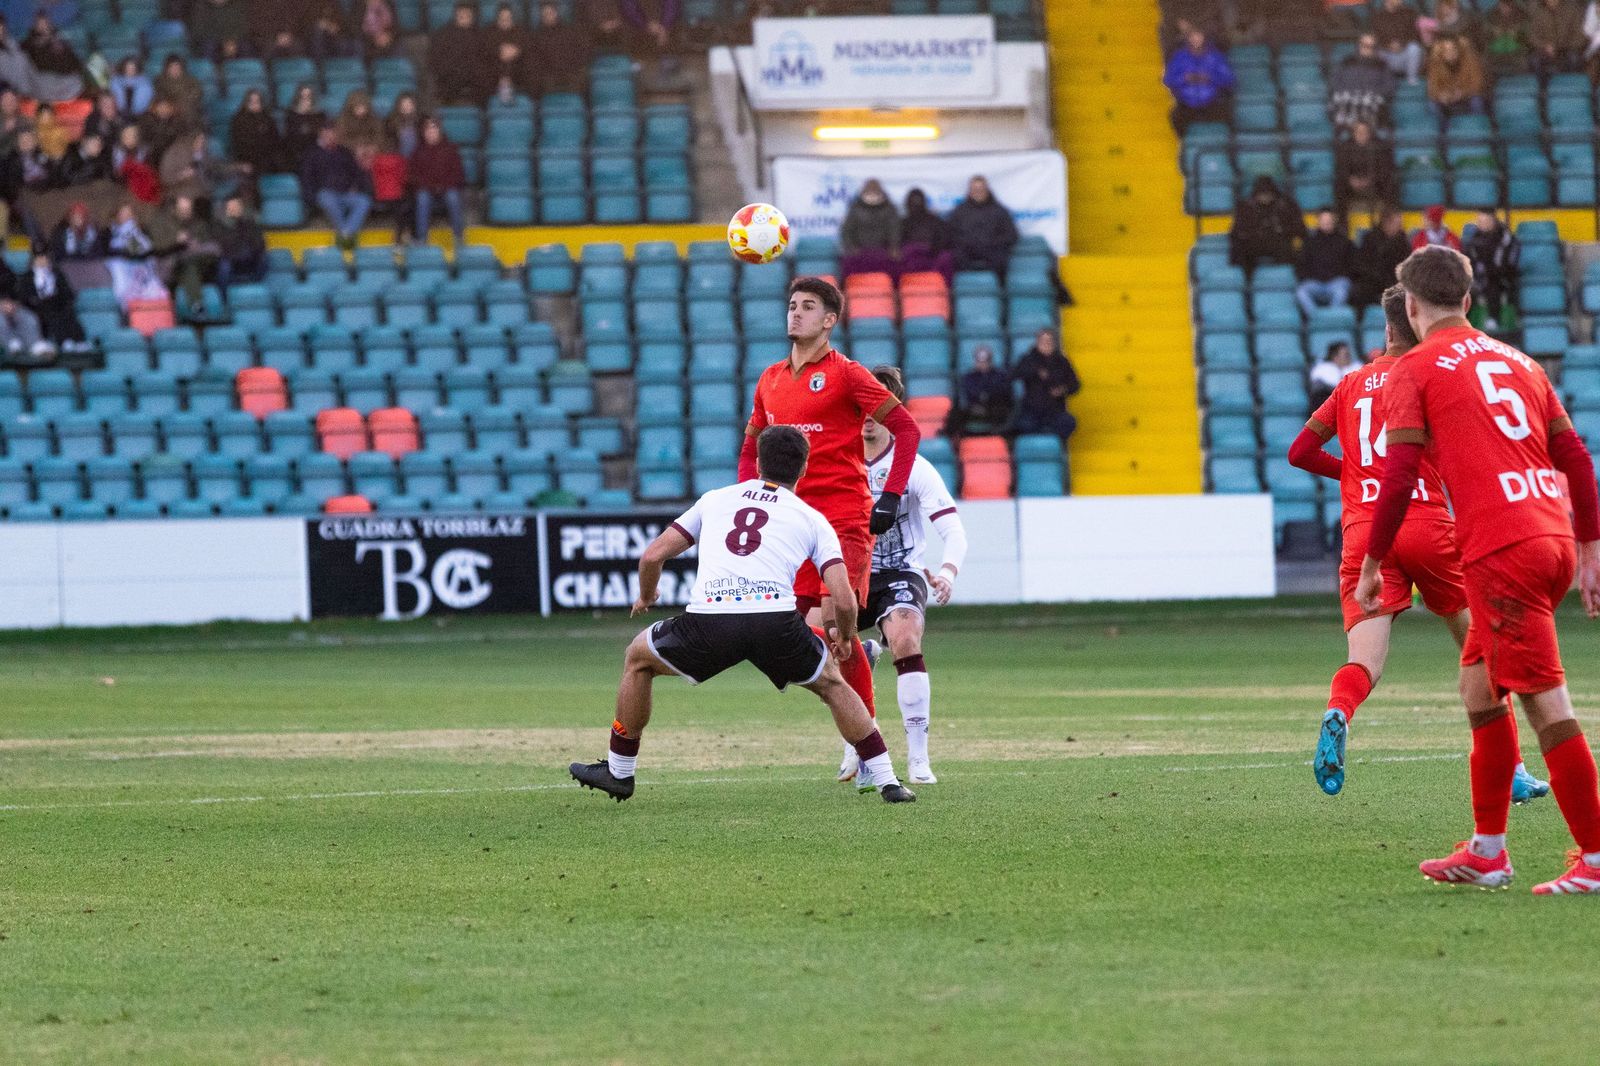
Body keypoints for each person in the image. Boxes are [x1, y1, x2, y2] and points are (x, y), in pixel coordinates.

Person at [1357, 246, 1600, 893]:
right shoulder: (1519, 360)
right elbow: (1574, 457)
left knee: (1547, 703)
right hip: (1548, 535)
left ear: (1411, 305)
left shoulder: (1416, 367)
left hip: (1502, 550)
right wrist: (1591, 549)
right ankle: (1488, 850)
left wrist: (1373, 563)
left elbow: (1400, 473)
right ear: (1468, 299)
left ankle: (1596, 856)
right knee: (1478, 689)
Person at [1289, 284, 1547, 800]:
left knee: (1363, 661)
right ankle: (1513, 769)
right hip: (1426, 523)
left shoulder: (1351, 384)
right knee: (1483, 651)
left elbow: (1299, 451)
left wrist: (1355, 475)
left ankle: (1338, 713)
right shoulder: (1431, 378)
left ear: (1387, 327)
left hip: (1365, 535)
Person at [569, 425, 917, 805]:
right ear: (803, 470)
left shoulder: (715, 500)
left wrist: (648, 593)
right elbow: (845, 599)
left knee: (638, 658)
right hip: (776, 622)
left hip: (710, 621)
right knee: (833, 685)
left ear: (755, 463)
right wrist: (846, 637)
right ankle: (888, 781)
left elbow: (653, 555)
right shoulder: (812, 518)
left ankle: (620, 771)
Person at [738, 276, 923, 764]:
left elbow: (905, 428)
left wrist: (892, 495)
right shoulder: (771, 379)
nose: (795, 313)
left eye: (808, 307)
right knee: (794, 638)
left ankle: (870, 756)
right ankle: (861, 661)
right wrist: (748, 497)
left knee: (825, 627)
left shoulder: (846, 374)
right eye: (791, 305)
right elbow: (751, 448)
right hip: (790, 524)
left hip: (842, 519)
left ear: (829, 320)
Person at [856, 365, 969, 786]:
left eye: (877, 406)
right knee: (817, 644)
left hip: (902, 570)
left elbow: (953, 529)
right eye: (860, 405)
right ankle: (859, 739)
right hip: (849, 573)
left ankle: (918, 759)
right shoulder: (837, 460)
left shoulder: (915, 467)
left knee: (905, 637)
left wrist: (947, 572)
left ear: (894, 409)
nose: (867, 415)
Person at [300, 124, 372, 250]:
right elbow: (307, 178)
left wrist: (355, 187)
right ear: (321, 134)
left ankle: (345, 234)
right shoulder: (312, 154)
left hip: (346, 192)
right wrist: (312, 196)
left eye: (332, 134)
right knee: (327, 199)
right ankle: (347, 236)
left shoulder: (344, 151)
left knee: (364, 201)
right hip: (325, 193)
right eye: (327, 134)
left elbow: (356, 172)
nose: (330, 137)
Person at [1162, 26, 1235, 134]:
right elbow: (1168, 79)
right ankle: (1186, 145)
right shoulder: (1179, 57)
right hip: (1186, 103)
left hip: (1212, 102)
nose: (1196, 39)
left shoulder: (1215, 56)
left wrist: (1210, 78)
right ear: (1188, 38)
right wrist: (1184, 78)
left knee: (1229, 117)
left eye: (1198, 35)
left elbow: (1229, 79)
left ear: (1204, 37)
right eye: (1192, 36)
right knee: (1175, 118)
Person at [1010, 330, 1079, 441]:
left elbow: (1075, 385)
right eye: (1043, 341)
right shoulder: (1028, 359)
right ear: (1037, 342)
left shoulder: (1062, 361)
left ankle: (1056, 448)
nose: (1046, 343)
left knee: (1069, 422)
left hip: (1055, 411)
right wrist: (1035, 371)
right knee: (1023, 425)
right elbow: (1014, 374)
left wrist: (1062, 390)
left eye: (1049, 341)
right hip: (1031, 410)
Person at [1228, 175, 1305, 274]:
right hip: (1254, 242)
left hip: (1280, 242)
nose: (1265, 197)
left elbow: (1300, 229)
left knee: (1293, 250)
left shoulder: (1287, 205)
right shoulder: (1245, 207)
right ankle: (1246, 283)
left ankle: (1283, 279)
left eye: (1267, 194)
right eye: (1262, 194)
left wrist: (1282, 230)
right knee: (1240, 251)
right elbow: (1235, 232)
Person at [946, 175, 1019, 279]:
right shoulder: (959, 211)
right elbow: (950, 234)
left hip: (992, 250)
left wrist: (993, 243)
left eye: (981, 189)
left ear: (987, 190)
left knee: (1001, 259)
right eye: (975, 189)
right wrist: (965, 242)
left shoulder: (1000, 211)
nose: (978, 192)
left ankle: (998, 292)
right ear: (970, 191)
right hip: (966, 251)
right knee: (954, 257)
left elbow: (1012, 235)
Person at [408, 116, 465, 245]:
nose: (431, 133)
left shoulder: (451, 149)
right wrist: (430, 186)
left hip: (447, 188)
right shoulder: (417, 151)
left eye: (434, 130)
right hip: (427, 189)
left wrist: (443, 186)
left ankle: (458, 237)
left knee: (453, 198)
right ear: (423, 133)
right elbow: (413, 176)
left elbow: (458, 174)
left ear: (439, 131)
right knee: (422, 198)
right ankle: (422, 238)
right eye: (428, 130)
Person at [1329, 34, 1397, 135]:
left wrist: (1372, 94)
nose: (1368, 49)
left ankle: (1365, 134)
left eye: (1372, 46)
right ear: (1358, 46)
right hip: (1349, 100)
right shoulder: (1346, 62)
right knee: (1342, 100)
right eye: (1365, 45)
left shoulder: (1382, 65)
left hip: (1371, 102)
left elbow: (1389, 87)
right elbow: (1334, 82)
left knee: (1371, 102)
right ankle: (1347, 132)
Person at [17, 248, 84, 351]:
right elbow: (23, 297)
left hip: (57, 305)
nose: (42, 260)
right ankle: (62, 341)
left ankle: (77, 341)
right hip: (37, 308)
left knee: (66, 312)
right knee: (49, 314)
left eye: (44, 257)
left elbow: (68, 293)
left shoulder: (57, 274)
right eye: (38, 258)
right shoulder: (26, 277)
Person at [1466, 208, 1521, 331]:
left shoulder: (1505, 238)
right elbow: (1469, 259)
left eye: (1485, 221)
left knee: (1493, 284)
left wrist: (1488, 270)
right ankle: (1463, 326)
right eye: (1479, 221)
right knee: (1464, 289)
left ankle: (1494, 319)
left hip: (1502, 277)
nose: (1482, 224)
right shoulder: (1475, 239)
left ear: (1493, 220)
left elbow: (1507, 263)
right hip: (1479, 277)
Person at [1296, 208, 1356, 316]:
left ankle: (1330, 318)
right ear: (1318, 221)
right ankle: (1316, 319)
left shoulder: (1345, 242)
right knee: (1301, 292)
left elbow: (1352, 265)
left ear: (1334, 221)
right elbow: (1301, 265)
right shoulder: (1309, 242)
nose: (1326, 223)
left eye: (1329, 220)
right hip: (1315, 282)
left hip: (1337, 282)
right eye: (1323, 220)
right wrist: (1309, 277)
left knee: (1341, 292)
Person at [1334, 121, 1397, 221]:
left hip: (1375, 182)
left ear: (1369, 133)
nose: (1361, 135)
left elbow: (1385, 168)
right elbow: (1341, 168)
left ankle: (1388, 222)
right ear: (1353, 133)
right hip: (1352, 184)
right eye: (1358, 132)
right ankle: (1342, 225)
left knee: (1391, 183)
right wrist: (1351, 180)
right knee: (1339, 185)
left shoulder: (1379, 146)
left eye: (1364, 132)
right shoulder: (1345, 146)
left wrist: (1370, 180)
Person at [838, 178, 900, 280]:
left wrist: (894, 247)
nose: (872, 191)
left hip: (883, 250)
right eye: (869, 188)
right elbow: (847, 230)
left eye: (874, 189)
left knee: (895, 263)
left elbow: (895, 229)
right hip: (859, 251)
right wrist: (851, 247)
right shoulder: (855, 208)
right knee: (848, 263)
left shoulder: (889, 208)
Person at [528, 0, 590, 95]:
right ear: (541, 16)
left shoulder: (569, 32)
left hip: (571, 73)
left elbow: (581, 52)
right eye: (545, 14)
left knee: (581, 76)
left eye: (551, 13)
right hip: (548, 77)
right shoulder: (536, 37)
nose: (548, 16)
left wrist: (572, 67)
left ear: (556, 13)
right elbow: (535, 61)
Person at [1352, 208, 1408, 310]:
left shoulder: (1403, 241)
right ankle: (1359, 322)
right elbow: (1362, 264)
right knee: (1359, 292)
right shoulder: (1370, 238)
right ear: (1386, 223)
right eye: (1397, 224)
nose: (1400, 227)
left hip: (1394, 282)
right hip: (1373, 281)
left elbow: (1406, 265)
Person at [431, 2, 486, 106]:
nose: (464, 19)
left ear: (473, 17)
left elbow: (484, 59)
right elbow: (437, 61)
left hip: (474, 78)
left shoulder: (480, 35)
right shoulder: (443, 35)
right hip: (450, 77)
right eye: (461, 16)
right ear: (456, 16)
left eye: (467, 16)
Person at [951, 345, 1012, 436]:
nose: (983, 364)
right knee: (955, 412)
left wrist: (986, 397)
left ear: (990, 361)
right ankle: (955, 439)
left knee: (1004, 411)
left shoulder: (1000, 376)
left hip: (993, 408)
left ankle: (1001, 437)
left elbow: (1001, 392)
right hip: (974, 408)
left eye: (986, 361)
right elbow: (971, 393)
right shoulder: (969, 377)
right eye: (979, 361)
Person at [21, 14, 83, 102]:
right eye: (40, 24)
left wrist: (57, 47)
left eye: (45, 23)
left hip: (63, 80)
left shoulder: (60, 41)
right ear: (35, 25)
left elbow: (74, 63)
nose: (43, 26)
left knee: (76, 80)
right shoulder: (28, 44)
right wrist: (41, 45)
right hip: (41, 81)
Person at [1425, 34, 1487, 122]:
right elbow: (1432, 89)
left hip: (1466, 98)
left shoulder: (1470, 61)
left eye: (1453, 49)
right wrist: (1441, 96)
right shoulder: (1436, 64)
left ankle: (1476, 127)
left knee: (1477, 100)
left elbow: (1477, 85)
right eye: (1446, 50)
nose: (1450, 53)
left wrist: (1462, 93)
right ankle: (1441, 132)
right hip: (1447, 101)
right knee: (1432, 104)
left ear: (1458, 49)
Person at [898, 187, 953, 282]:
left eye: (919, 201)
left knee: (946, 257)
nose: (916, 204)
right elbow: (898, 243)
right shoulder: (902, 223)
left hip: (932, 257)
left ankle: (945, 291)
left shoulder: (935, 221)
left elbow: (943, 240)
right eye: (913, 201)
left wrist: (931, 250)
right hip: (910, 260)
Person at [215, 193, 266, 289]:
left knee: (265, 259)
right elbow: (223, 245)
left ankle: (255, 287)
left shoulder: (250, 223)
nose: (235, 209)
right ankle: (224, 297)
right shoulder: (221, 226)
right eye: (232, 207)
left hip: (250, 258)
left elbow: (260, 242)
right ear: (226, 209)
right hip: (231, 259)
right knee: (224, 267)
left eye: (237, 206)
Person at [229, 89, 284, 177]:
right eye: (251, 101)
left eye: (257, 101)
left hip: (267, 156)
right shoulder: (238, 120)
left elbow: (276, 140)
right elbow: (238, 144)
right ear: (246, 102)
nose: (254, 104)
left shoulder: (268, 118)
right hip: (248, 157)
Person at [1371, 0, 1425, 83]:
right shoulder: (1378, 16)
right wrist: (1389, 45)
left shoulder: (1409, 13)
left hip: (1404, 54)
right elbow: (1376, 37)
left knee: (1414, 48)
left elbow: (1415, 36)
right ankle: (1382, 81)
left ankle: (1412, 80)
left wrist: (1402, 44)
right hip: (1387, 54)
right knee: (1376, 51)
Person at [1529, 0, 1584, 77]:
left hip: (1567, 49)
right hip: (1545, 50)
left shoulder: (1572, 10)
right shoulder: (1538, 13)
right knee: (1534, 60)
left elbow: (1579, 35)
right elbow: (1533, 36)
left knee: (1575, 59)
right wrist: (1545, 46)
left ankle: (1572, 87)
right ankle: (1542, 87)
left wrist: (1562, 47)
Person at [152, 53, 203, 128]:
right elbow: (159, 98)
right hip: (167, 116)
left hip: (188, 116)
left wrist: (177, 106)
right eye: (171, 67)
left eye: (177, 67)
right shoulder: (159, 82)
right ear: (167, 69)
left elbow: (195, 97)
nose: (175, 70)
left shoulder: (192, 82)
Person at [282, 83, 327, 165]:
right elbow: (289, 139)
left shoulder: (320, 116)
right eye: (303, 97)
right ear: (298, 98)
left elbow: (322, 136)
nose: (305, 100)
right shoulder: (291, 116)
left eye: (308, 97)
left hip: (317, 153)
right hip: (297, 154)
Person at [1307, 340, 1360, 409]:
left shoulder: (1357, 366)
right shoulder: (1322, 368)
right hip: (1330, 402)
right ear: (1335, 356)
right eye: (1346, 355)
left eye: (1348, 354)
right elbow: (1318, 389)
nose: (1349, 357)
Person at [1485, 0, 1531, 76]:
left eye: (1508, 5)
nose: (1505, 8)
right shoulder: (1490, 15)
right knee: (1486, 63)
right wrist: (1493, 32)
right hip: (1495, 51)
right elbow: (1484, 31)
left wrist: (1517, 33)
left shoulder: (1522, 14)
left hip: (1517, 51)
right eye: (1503, 5)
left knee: (1524, 62)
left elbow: (1528, 34)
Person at [334, 90, 385, 156]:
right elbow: (340, 140)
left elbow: (380, 137)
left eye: (363, 106)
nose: (361, 109)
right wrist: (356, 147)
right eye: (358, 106)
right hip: (349, 154)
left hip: (371, 152)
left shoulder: (375, 120)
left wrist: (371, 147)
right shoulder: (342, 120)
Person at [385, 92, 422, 158]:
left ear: (414, 105)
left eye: (409, 103)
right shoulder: (390, 122)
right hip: (397, 158)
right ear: (398, 106)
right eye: (403, 104)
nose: (406, 106)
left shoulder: (421, 121)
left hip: (418, 159)